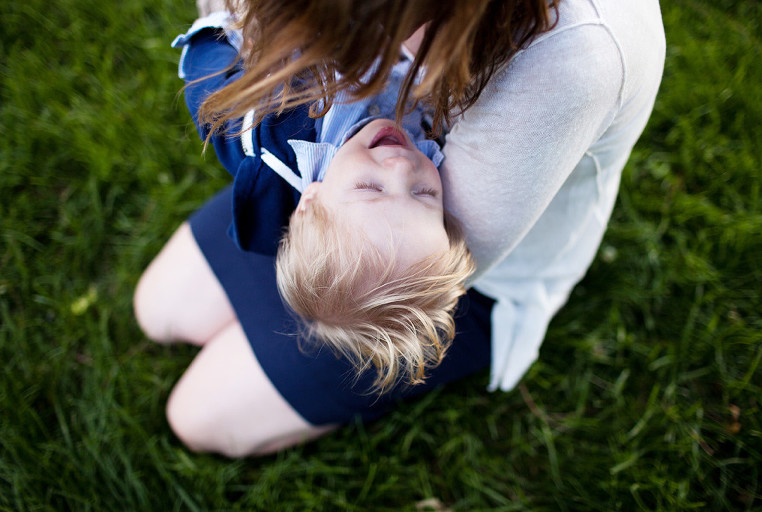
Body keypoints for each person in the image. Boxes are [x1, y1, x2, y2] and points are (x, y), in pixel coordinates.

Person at [134, 0, 666, 457]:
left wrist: (347, 188)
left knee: (194, 417)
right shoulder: (374, 169)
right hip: (338, 215)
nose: (402, 166)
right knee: (158, 310)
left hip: (437, 290)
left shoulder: (570, 57)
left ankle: (345, 382)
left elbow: (446, 268)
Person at [166, 15, 475, 394]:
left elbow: (210, 92)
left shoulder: (270, 132)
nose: (401, 167)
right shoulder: (424, 143)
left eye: (371, 188)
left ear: (311, 201)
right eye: (424, 194)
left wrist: (217, 29)